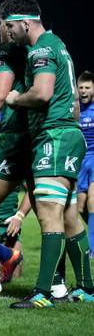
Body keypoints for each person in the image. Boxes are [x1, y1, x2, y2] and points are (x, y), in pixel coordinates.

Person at [2, 0, 94, 308]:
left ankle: (42, 292)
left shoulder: (41, 48)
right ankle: (85, 288)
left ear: (25, 22)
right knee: (69, 215)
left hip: (54, 136)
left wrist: (14, 100)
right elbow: (76, 106)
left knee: (49, 212)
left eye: (11, 26)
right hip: (68, 133)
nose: (9, 32)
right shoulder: (58, 44)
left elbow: (42, 93)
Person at [76, 70, 94, 254]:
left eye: (87, 87)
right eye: (81, 87)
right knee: (81, 207)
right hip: (81, 159)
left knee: (92, 202)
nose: (83, 90)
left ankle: (92, 248)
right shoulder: (75, 108)